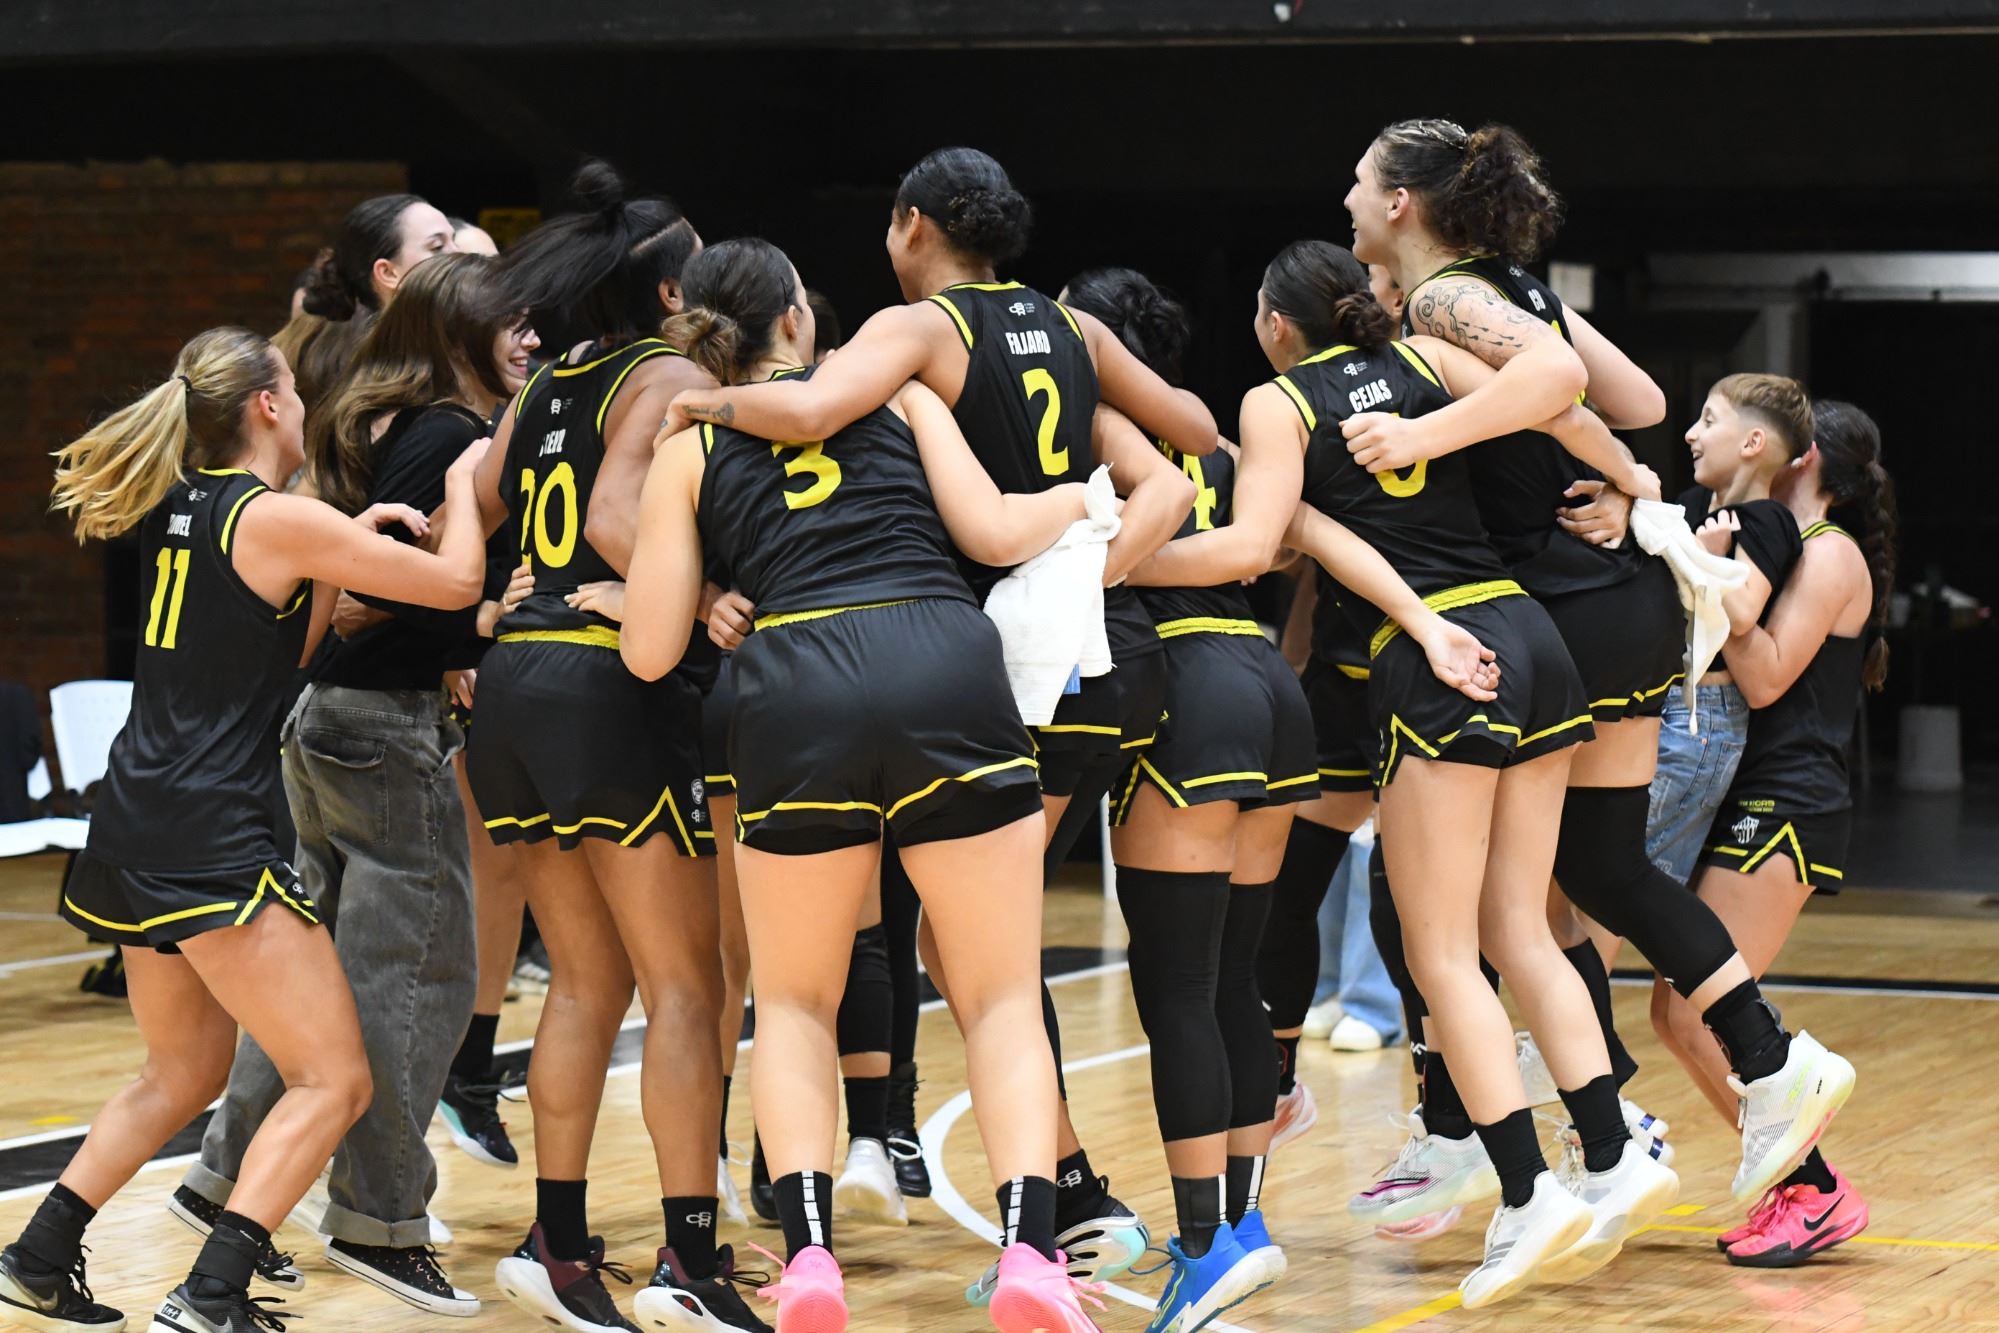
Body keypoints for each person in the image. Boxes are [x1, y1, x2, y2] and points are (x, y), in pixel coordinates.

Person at [664, 147, 1207, 1290]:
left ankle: (824, 1234)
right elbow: (1185, 443)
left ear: (912, 225)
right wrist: (1092, 530)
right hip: (1041, 654)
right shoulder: (1068, 331)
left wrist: (702, 409)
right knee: (995, 978)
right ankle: (1037, 1233)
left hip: (862, 663)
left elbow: (812, 412)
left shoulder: (904, 346)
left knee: (814, 981)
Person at [1346, 118, 1853, 1228]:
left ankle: (1494, 1132)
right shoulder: (1523, 289)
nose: (1346, 199)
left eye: (1358, 181)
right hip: (1619, 602)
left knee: (1443, 893)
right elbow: (1641, 402)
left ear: (1398, 203)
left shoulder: (1443, 296)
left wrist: (1428, 439)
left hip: (1554, 605)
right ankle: (1767, 1063)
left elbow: (1563, 377)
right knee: (1597, 869)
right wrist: (1620, 473)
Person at [616, 236, 1105, 1332]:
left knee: (794, 1000)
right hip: (940, 660)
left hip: (796, 685)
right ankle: (1031, 1256)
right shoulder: (899, 394)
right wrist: (1080, 497)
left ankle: (809, 1263)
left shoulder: (690, 447)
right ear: (798, 318)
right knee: (1000, 994)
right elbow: (993, 532)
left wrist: (692, 595)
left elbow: (647, 653)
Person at [1208, 240, 1680, 1307]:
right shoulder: (1427, 358)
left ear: (1277, 323)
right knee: (1520, 928)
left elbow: (1254, 545)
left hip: (1442, 655)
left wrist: (1126, 550)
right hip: (1534, 638)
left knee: (1442, 953)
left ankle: (1525, 1192)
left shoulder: (1276, 402)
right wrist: (1635, 483)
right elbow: (1564, 407)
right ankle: (1609, 1154)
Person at [0, 326, 486, 1333]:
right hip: (211, 828)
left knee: (181, 1071)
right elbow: (454, 586)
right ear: (267, 405)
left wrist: (344, 553)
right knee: (334, 1078)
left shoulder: (184, 508)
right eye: (295, 392)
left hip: (134, 813)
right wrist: (467, 491)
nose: (305, 406)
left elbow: (286, 650)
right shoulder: (279, 516)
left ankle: (36, 1256)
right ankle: (213, 1293)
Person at [166, 253, 532, 1317]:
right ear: (460, 330)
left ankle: (222, 1179)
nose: (531, 337)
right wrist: (485, 611)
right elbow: (414, 591)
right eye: (510, 319)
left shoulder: (388, 420)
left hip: (324, 722)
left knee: (315, 994)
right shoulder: (452, 435)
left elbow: (375, 585)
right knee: (411, 979)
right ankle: (379, 1220)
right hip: (375, 726)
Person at [465, 161, 752, 1333]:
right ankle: (690, 1257)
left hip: (517, 682)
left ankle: (558, 1240)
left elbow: (480, 490)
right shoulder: (669, 374)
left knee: (586, 980)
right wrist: (704, 594)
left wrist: (499, 595)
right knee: (686, 986)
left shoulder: (545, 385)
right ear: (671, 289)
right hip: (601, 682)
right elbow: (613, 518)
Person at [1059, 264, 1307, 1329]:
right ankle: (1242, 1225)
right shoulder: (1217, 439)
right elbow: (1280, 543)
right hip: (1269, 679)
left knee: (1179, 988)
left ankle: (1201, 1249)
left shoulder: (1093, 431)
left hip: (1189, 692)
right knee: (1234, 980)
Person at [1657, 398, 1891, 1266]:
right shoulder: (1773, 537)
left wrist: (1720, 578)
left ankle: (1814, 1189)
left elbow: (1762, 680)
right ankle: (1799, 1185)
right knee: (1678, 1011)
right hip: (1750, 790)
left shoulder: (1828, 553)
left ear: (1806, 457)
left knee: (1692, 1009)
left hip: (1789, 800)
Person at [1642, 377, 1810, 885]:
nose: (1691, 434)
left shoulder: (1767, 520)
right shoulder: (1694, 503)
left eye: (1709, 421)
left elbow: (1743, 612)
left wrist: (1708, 558)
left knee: (1637, 872)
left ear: (1752, 443)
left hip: (1703, 715)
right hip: (1662, 699)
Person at [273, 194, 458, 414]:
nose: (459, 253)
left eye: (454, 239)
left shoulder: (450, 343)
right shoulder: (379, 380)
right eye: (437, 246)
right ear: (387, 272)